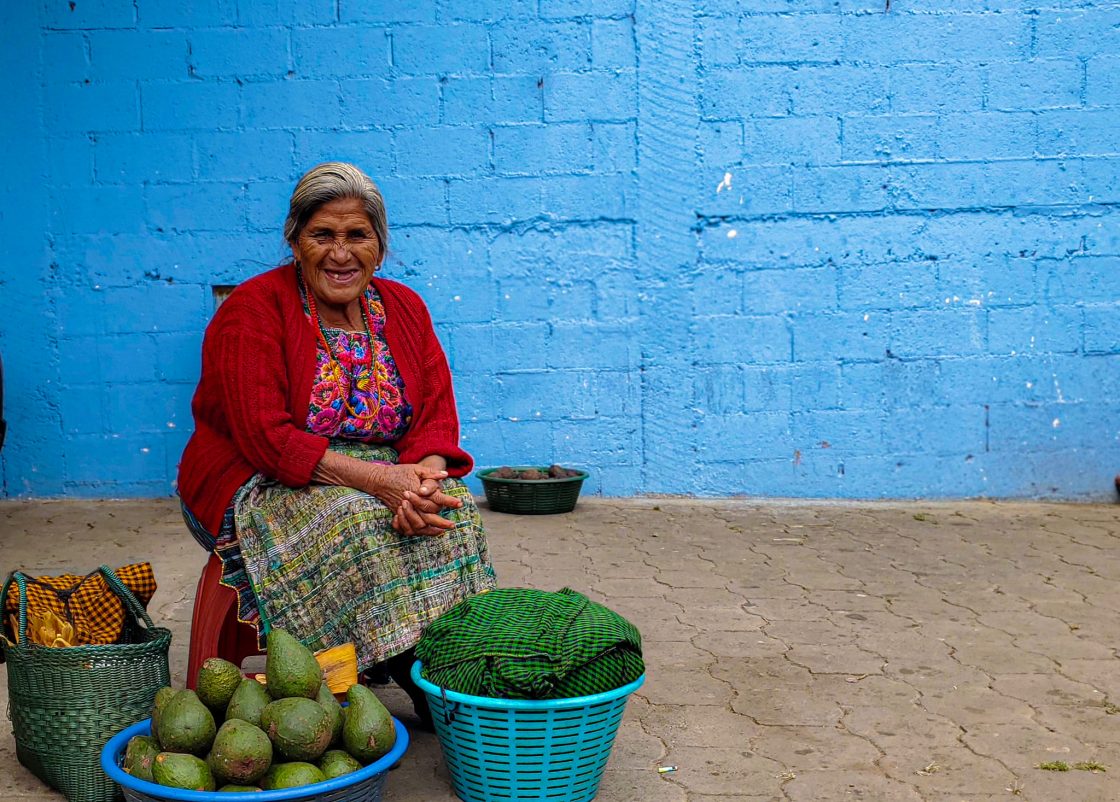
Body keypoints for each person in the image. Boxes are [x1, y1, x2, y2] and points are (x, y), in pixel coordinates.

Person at [177, 162, 496, 725]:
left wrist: (423, 479)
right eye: (322, 235)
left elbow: (436, 416)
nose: (340, 253)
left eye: (357, 235)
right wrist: (382, 482)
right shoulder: (251, 312)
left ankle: (434, 664)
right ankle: (346, 683)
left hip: (379, 473)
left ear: (380, 244)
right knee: (354, 520)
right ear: (295, 240)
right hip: (254, 478)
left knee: (457, 511)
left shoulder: (404, 308)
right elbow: (266, 438)